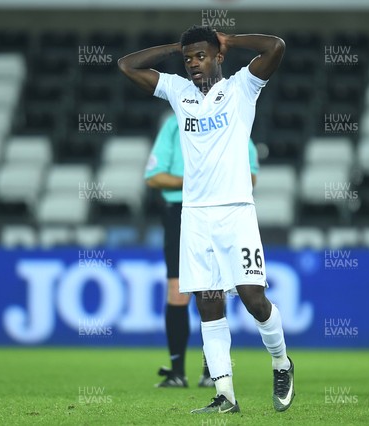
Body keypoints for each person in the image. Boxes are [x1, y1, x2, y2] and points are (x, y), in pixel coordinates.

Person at [119, 25, 294, 414]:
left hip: (236, 212)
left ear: (218, 56)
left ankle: (281, 362)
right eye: (189, 59)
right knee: (208, 304)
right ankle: (225, 395)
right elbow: (127, 65)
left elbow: (276, 47)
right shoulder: (178, 92)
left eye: (202, 56)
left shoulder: (241, 87)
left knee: (252, 298)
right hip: (195, 216)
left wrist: (231, 40)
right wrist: (174, 49)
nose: (195, 64)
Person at [145, 113, 259, 388]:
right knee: (178, 292)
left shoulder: (233, 119)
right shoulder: (174, 125)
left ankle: (213, 372)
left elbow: (251, 175)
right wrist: (196, 181)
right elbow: (154, 176)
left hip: (221, 213)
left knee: (214, 290)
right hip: (181, 214)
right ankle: (177, 372)